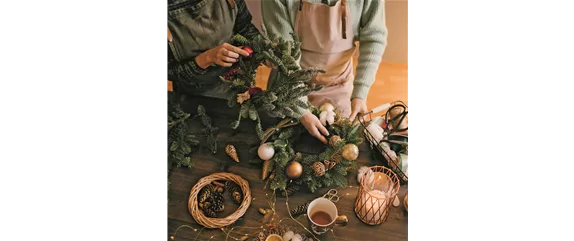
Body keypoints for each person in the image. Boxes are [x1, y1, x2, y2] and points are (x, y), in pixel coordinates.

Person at [261, 0, 387, 144]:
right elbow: (285, 52)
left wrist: (360, 93)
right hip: (289, 87)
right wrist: (300, 109)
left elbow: (374, 38)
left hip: (340, 86)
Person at [166, 0, 261, 99]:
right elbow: (168, 71)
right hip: (197, 96)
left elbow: (246, 28)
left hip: (239, 83)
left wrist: (263, 49)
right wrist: (207, 58)